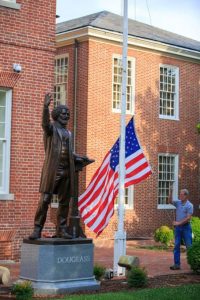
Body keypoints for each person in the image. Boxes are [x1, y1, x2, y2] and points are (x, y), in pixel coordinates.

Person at [29, 93, 77, 239]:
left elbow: (69, 153)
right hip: (52, 170)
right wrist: (45, 107)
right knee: (45, 199)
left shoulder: (69, 133)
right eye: (63, 113)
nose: (66, 116)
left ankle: (61, 229)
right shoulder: (51, 129)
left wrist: (80, 158)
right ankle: (37, 229)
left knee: (64, 201)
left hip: (67, 171)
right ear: (56, 115)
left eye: (68, 114)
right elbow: (44, 123)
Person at [168, 187, 193, 270]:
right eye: (179, 194)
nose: (179, 195)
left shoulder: (189, 205)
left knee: (189, 246)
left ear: (186, 196)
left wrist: (178, 223)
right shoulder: (178, 203)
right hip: (178, 229)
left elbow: (188, 218)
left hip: (186, 228)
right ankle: (177, 264)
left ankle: (193, 264)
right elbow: (169, 201)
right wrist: (170, 191)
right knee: (176, 246)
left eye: (181, 194)